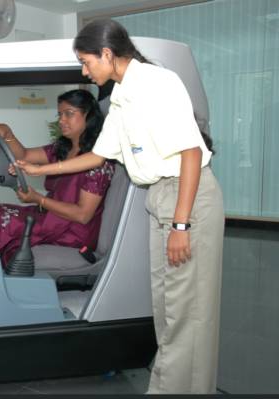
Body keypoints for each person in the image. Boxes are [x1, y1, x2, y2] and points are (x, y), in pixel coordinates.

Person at [16, 19, 224, 394]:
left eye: (86, 61)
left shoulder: (158, 84)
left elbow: (190, 152)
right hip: (161, 195)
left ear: (107, 54)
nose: (84, 70)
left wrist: (181, 226)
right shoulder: (122, 98)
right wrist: (40, 168)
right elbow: (97, 156)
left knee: (186, 313)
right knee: (167, 310)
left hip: (186, 197)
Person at [0, 89, 114, 266]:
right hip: (51, 217)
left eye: (69, 114)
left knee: (0, 219)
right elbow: (24, 155)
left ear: (89, 116)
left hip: (71, 231)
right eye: (60, 114)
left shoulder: (98, 162)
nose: (61, 120)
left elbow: (82, 215)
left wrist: (38, 199)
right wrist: (8, 134)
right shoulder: (62, 149)